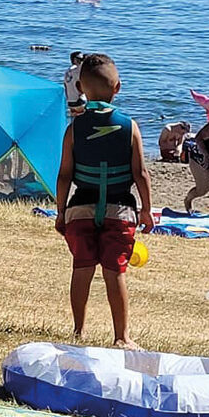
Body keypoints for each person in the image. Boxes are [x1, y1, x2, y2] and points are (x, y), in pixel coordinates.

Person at [55, 53, 153, 350]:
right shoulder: (130, 126)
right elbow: (141, 174)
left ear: (81, 89)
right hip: (120, 211)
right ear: (118, 87)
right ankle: (121, 336)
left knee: (82, 267)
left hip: (80, 210)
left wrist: (61, 212)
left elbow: (64, 176)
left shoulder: (73, 130)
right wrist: (146, 210)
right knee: (115, 271)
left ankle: (78, 331)